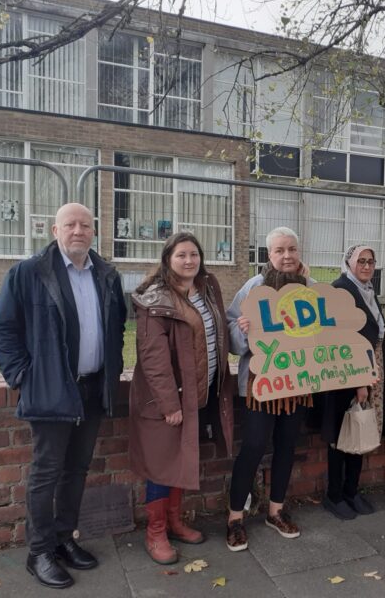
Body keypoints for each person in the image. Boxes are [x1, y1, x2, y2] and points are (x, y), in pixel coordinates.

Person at [0, 203, 126, 589]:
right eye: (70, 224)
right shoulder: (28, 273)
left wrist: (111, 372)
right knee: (46, 473)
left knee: (77, 469)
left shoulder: (107, 275)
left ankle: (65, 539)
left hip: (93, 387)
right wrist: (24, 377)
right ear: (55, 230)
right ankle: (40, 552)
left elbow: (116, 328)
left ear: (94, 231)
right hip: (50, 390)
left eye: (85, 224)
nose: (78, 230)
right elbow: (1, 332)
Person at [128, 232, 234, 565]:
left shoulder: (207, 288)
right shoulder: (155, 299)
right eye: (181, 255)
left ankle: (175, 521)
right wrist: (168, 405)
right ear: (167, 260)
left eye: (193, 255)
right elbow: (153, 358)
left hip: (200, 396)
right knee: (162, 465)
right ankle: (155, 533)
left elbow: (217, 332)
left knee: (183, 460)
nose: (189, 261)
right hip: (168, 401)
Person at [225, 227, 312, 551]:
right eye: (279, 250)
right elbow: (231, 326)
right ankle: (235, 518)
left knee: (287, 446)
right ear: (269, 254)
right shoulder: (254, 286)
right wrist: (243, 331)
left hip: (297, 384)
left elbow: (326, 329)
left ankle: (276, 511)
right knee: (254, 447)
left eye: (291, 249)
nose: (286, 255)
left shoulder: (312, 288)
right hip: (262, 384)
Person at [320, 245, 385, 520]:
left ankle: (351, 491)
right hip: (345, 375)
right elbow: (342, 337)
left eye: (371, 261)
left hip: (369, 370)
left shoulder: (367, 291)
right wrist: (359, 381)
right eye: (361, 261)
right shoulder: (341, 289)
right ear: (349, 262)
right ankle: (334, 495)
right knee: (341, 436)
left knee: (359, 429)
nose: (367, 266)